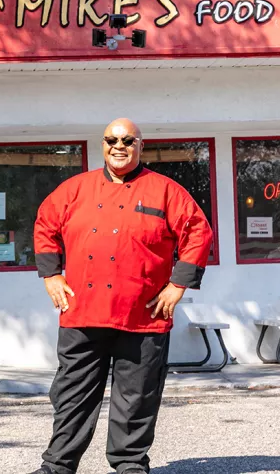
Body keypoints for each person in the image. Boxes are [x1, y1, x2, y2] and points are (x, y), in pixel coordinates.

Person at [31, 118, 213, 474]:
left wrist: (177, 286)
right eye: (111, 139)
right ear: (102, 144)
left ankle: (130, 464)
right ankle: (57, 466)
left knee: (137, 398)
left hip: (143, 314)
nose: (119, 145)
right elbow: (45, 225)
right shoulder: (74, 189)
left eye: (128, 140)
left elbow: (198, 233)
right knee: (72, 396)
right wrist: (51, 276)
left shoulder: (166, 191)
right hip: (82, 311)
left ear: (140, 146)